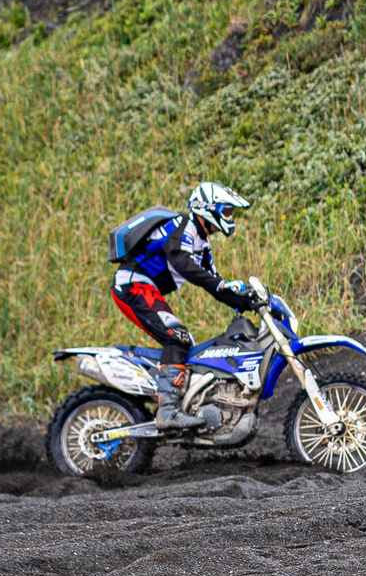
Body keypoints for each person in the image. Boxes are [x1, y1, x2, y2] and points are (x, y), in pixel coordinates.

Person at [112, 182, 262, 429]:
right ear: (208, 209)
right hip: (132, 285)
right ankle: (167, 412)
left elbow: (212, 284)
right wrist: (223, 284)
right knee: (177, 337)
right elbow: (181, 261)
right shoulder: (183, 228)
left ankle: (185, 404)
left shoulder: (202, 244)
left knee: (186, 343)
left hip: (145, 287)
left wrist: (249, 302)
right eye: (226, 212)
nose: (229, 218)